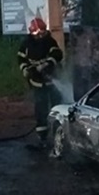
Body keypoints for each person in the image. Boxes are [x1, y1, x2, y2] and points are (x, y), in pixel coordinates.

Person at [17, 17, 64, 148]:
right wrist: (26, 70)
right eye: (37, 34)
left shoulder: (49, 42)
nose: (40, 36)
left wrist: (46, 64)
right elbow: (21, 59)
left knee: (57, 109)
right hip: (37, 83)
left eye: (42, 33)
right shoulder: (26, 44)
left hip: (52, 82)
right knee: (40, 109)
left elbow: (57, 55)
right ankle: (42, 138)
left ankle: (59, 136)